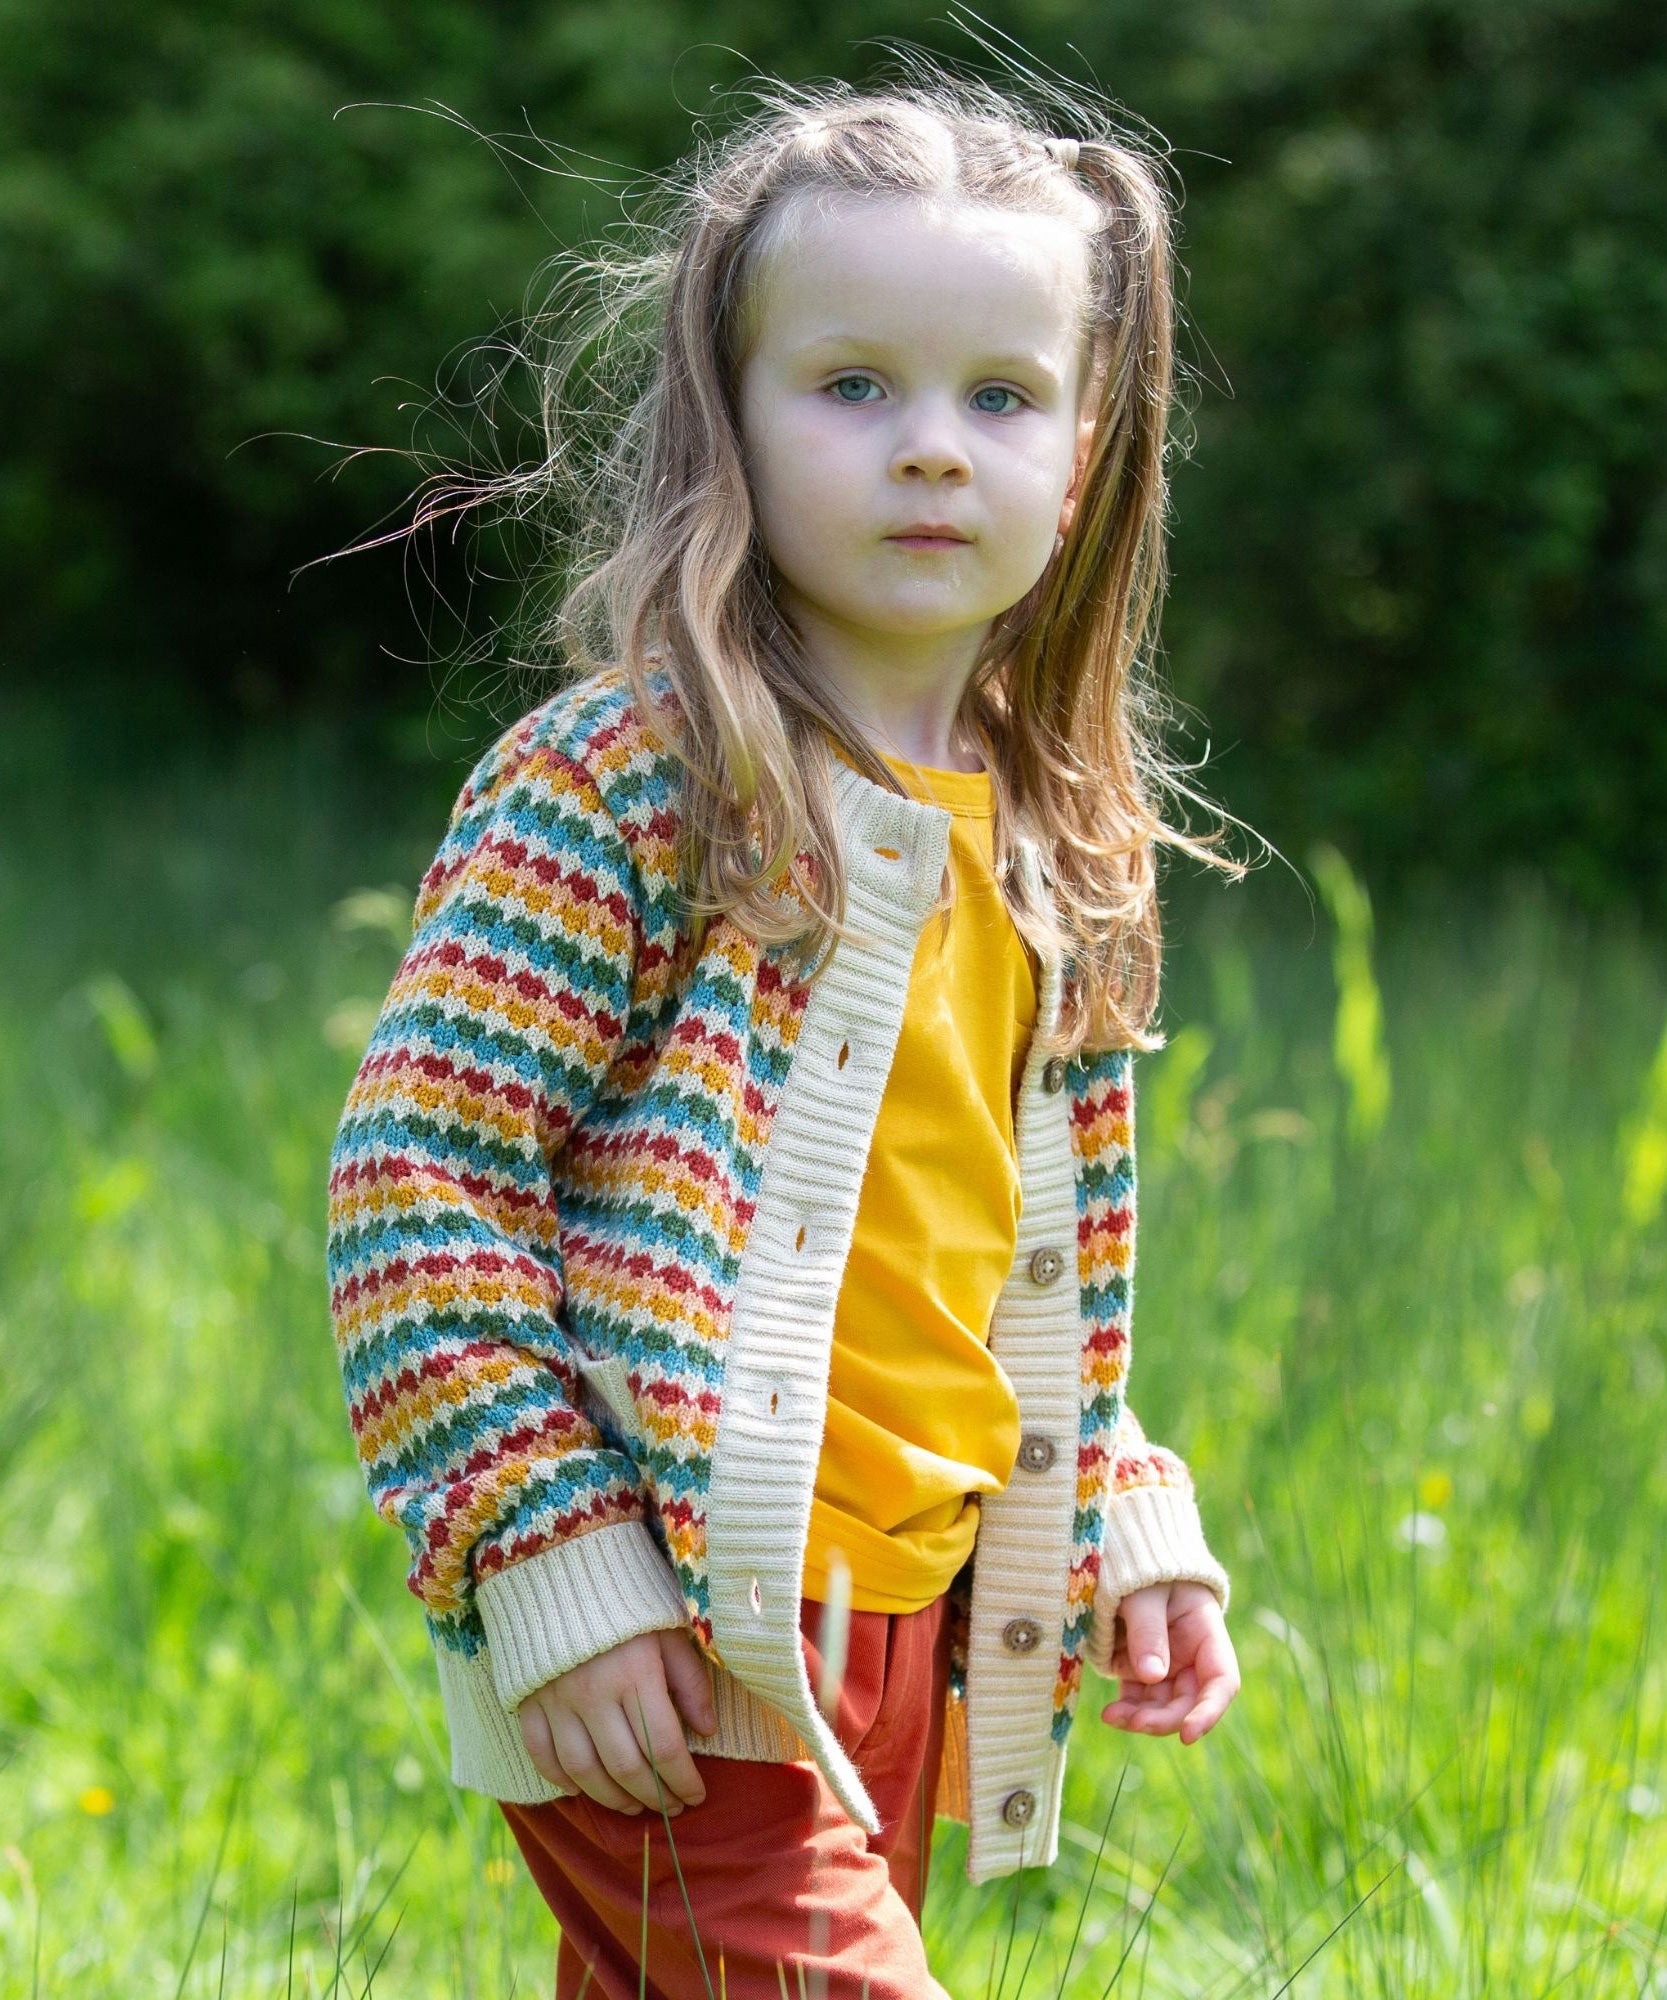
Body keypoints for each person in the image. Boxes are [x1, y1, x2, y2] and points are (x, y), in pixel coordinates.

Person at [326, 65, 1254, 2000]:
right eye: (853, 386)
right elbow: (424, 1177)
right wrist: (550, 1553)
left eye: (999, 396)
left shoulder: (1048, 836)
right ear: (726, 426)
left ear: (1082, 458)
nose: (932, 450)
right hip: (679, 1589)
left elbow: (988, 1269)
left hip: (903, 1606)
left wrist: (1118, 1511)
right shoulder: (626, 786)